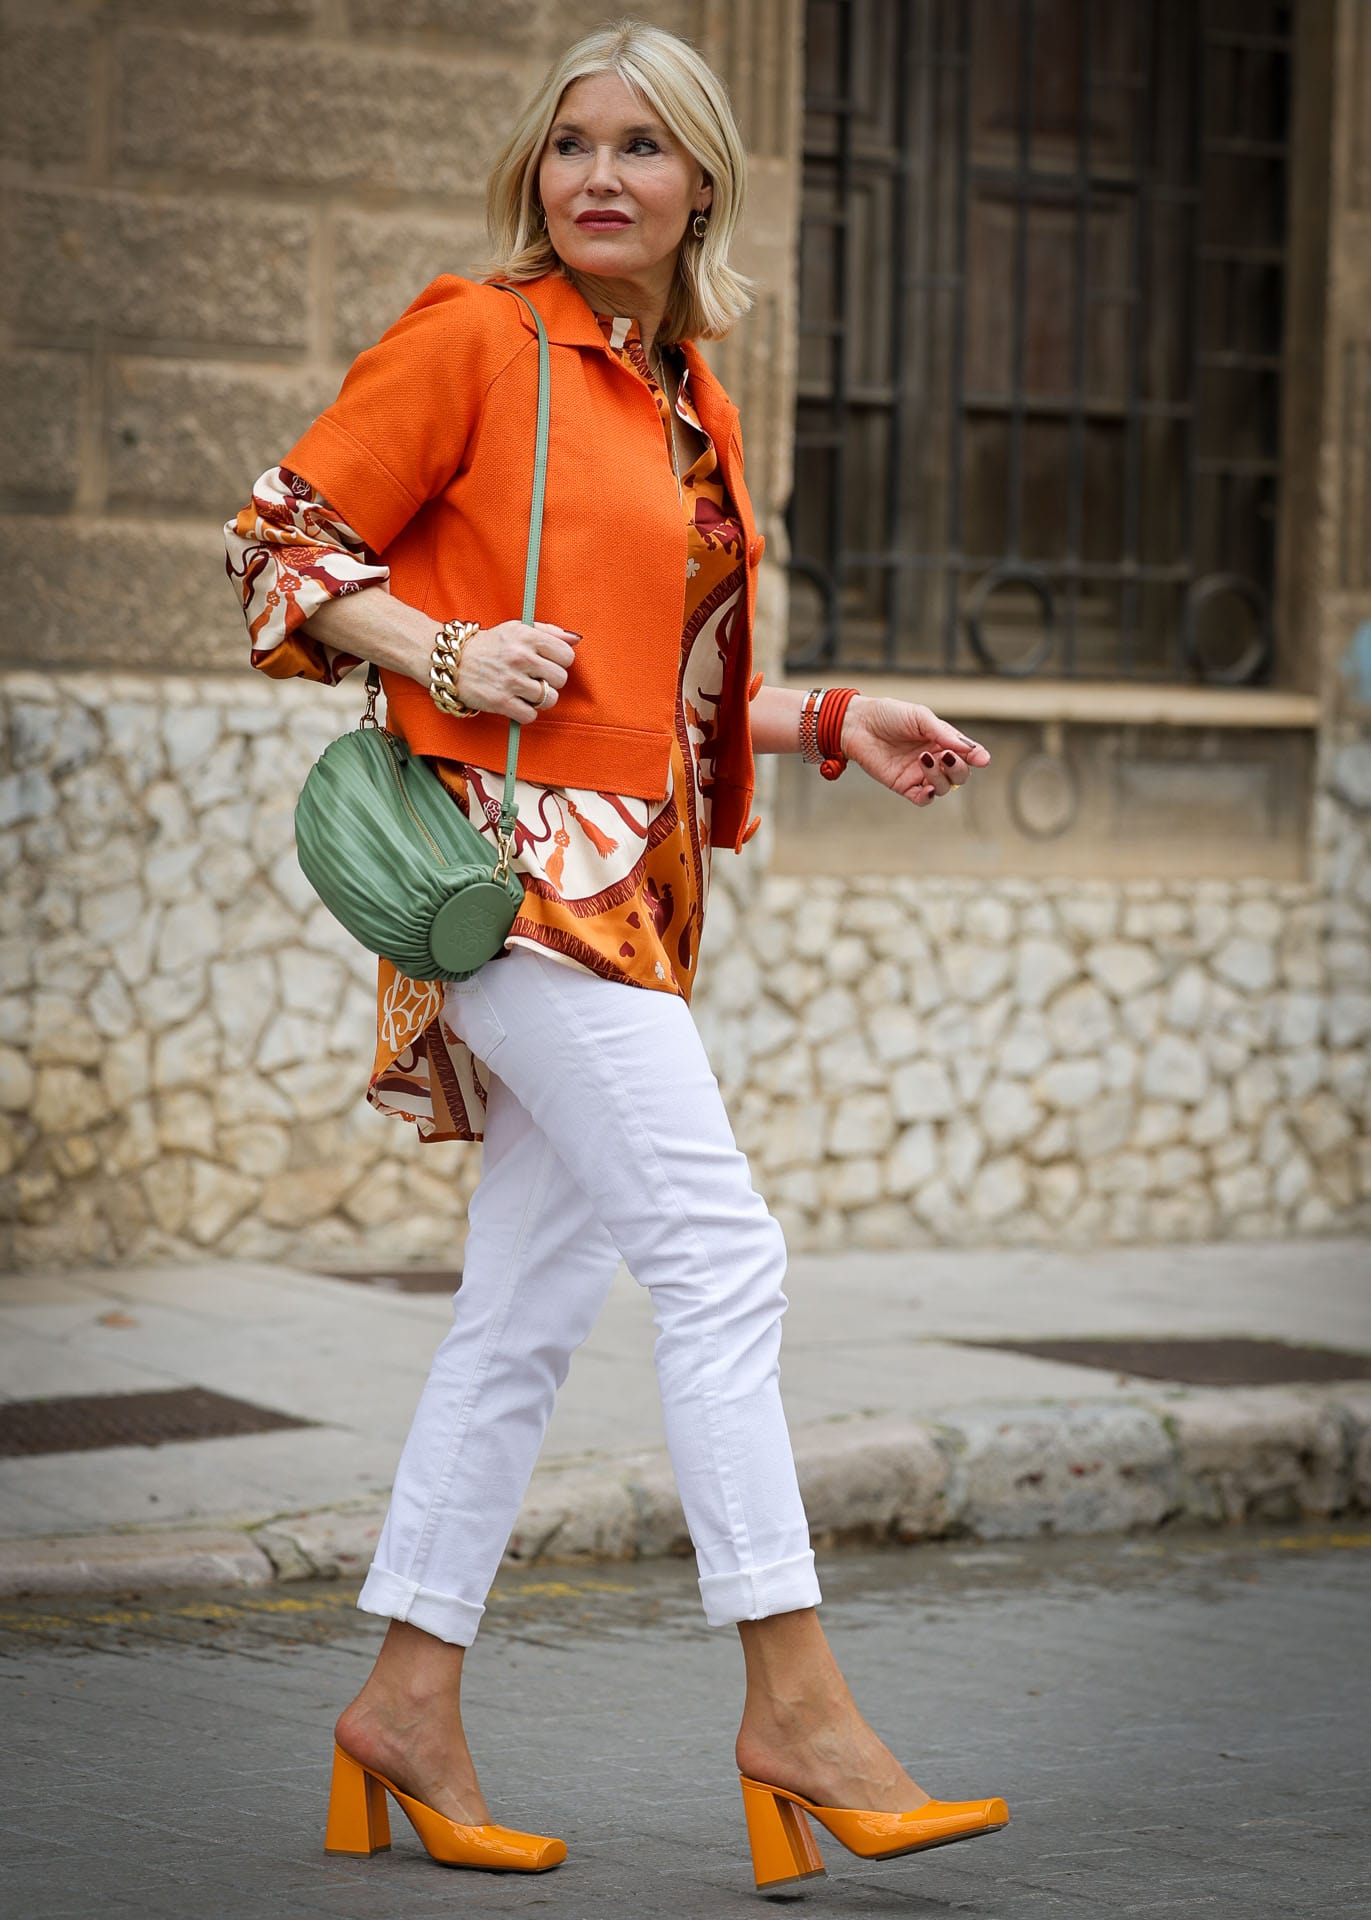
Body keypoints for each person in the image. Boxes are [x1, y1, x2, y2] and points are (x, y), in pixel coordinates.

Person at [224, 17, 1005, 1892]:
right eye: (572, 141)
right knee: (724, 1253)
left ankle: (406, 1702)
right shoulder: (476, 339)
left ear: (701, 183)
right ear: (537, 167)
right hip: (510, 887)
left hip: (637, 893)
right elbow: (277, 538)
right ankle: (798, 1706)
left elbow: (657, 689)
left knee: (522, 1317)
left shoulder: (685, 399)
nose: (598, 174)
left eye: (641, 146)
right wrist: (437, 652)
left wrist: (825, 718)